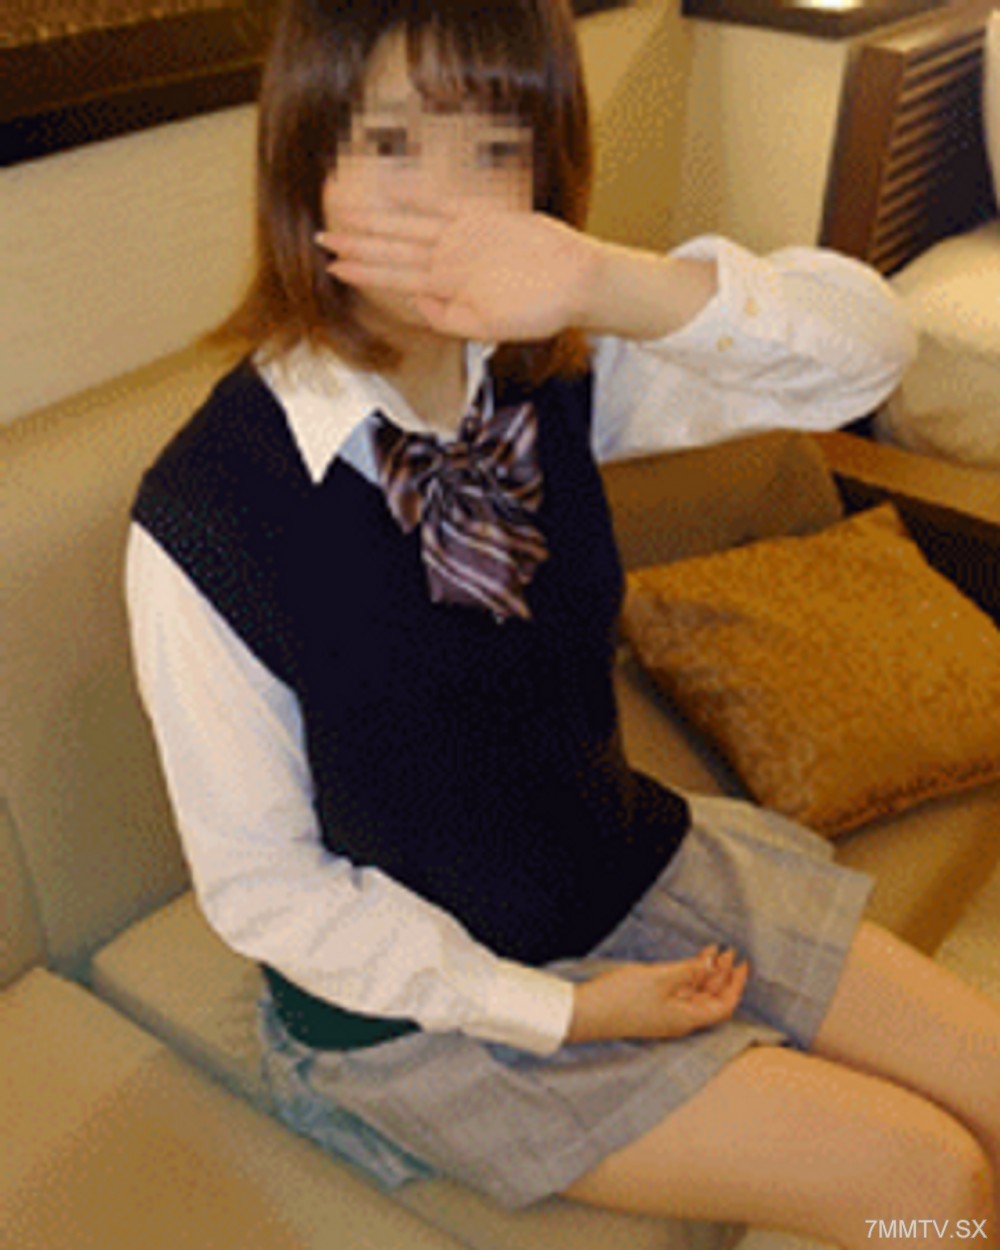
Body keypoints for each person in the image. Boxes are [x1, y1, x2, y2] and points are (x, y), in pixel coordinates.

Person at [125, 1, 1000, 1245]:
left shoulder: (551, 369)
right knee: (935, 1189)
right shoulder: (208, 510)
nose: (451, 205)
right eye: (393, 143)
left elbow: (864, 355)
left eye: (496, 148)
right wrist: (565, 1013)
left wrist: (604, 277)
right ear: (306, 159)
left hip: (625, 859)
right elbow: (268, 890)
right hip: (428, 1010)